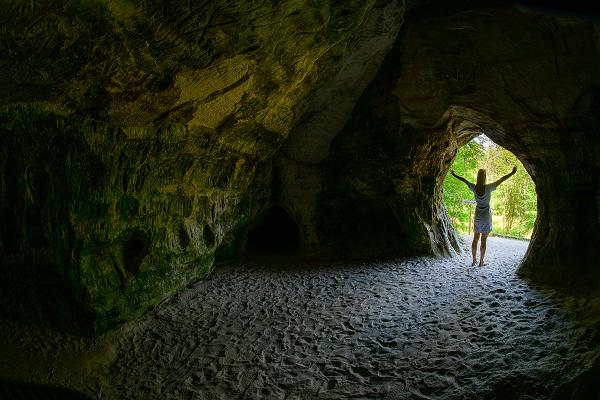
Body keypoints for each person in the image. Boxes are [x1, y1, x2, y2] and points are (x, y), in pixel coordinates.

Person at [451, 166, 517, 266]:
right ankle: (481, 261)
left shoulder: (474, 187)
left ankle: (474, 260)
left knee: (475, 238)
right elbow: (501, 180)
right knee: (483, 240)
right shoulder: (489, 187)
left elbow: (464, 180)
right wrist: (512, 173)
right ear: (485, 177)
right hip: (486, 215)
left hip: (478, 214)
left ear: (477, 177)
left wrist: (454, 175)